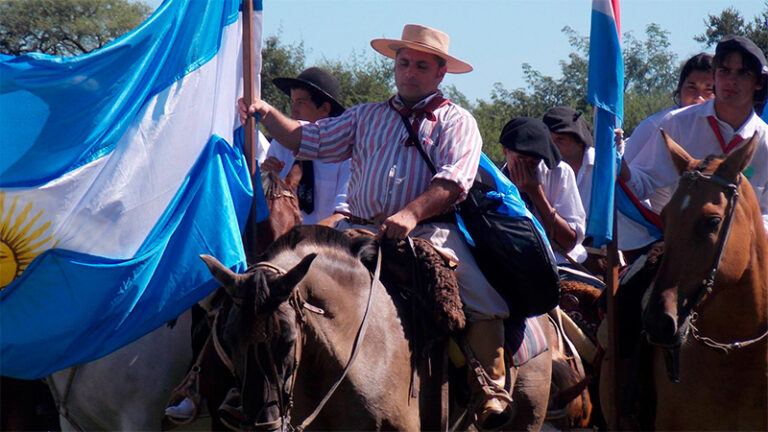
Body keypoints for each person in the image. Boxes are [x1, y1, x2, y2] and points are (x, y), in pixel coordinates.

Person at [240, 24, 513, 429]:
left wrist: (410, 214)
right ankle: (243, 384)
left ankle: (487, 386)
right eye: (404, 63)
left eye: (421, 65)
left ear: (440, 73)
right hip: (356, 228)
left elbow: (455, 180)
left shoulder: (457, 122)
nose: (410, 72)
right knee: (284, 283)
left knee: (480, 298)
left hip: (429, 231)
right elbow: (307, 138)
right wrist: (266, 114)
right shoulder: (365, 116)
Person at [622, 35, 768, 239]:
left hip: (746, 254)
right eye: (724, 71)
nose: (731, 81)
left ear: (759, 82)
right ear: (715, 76)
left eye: (743, 73)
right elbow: (642, 183)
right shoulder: (678, 124)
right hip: (682, 248)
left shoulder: (765, 141)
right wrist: (615, 163)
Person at [616, 53, 715, 256]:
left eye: (709, 90)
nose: (699, 98)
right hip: (657, 236)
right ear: (679, 89)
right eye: (692, 88)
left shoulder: (730, 130)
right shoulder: (658, 125)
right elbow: (631, 186)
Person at [498, 117, 589, 277]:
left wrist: (536, 193)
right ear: (506, 150)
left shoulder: (559, 173)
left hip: (558, 266)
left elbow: (569, 242)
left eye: (532, 163)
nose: (526, 168)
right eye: (520, 160)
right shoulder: (492, 181)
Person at [260, 67, 351, 225]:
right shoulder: (280, 144)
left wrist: (304, 241)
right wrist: (267, 179)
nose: (293, 110)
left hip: (327, 243)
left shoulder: (346, 153)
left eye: (300, 103)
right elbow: (265, 208)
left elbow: (343, 216)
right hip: (283, 242)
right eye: (292, 102)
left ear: (324, 109)